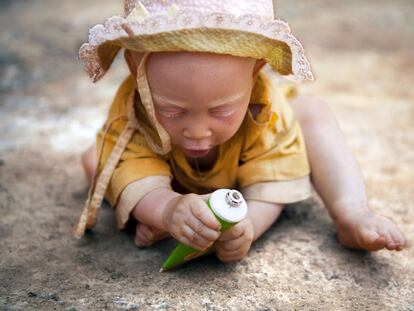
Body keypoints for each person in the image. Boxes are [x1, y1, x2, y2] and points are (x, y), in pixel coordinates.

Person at [74, 0, 405, 263]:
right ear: (137, 70)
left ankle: (350, 211)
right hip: (167, 179)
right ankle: (169, 216)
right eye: (174, 111)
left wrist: (249, 227)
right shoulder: (134, 110)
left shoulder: (266, 109)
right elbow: (130, 166)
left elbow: (271, 181)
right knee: (98, 158)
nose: (198, 132)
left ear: (255, 71)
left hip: (250, 168)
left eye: (220, 111)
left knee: (313, 112)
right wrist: (166, 209)